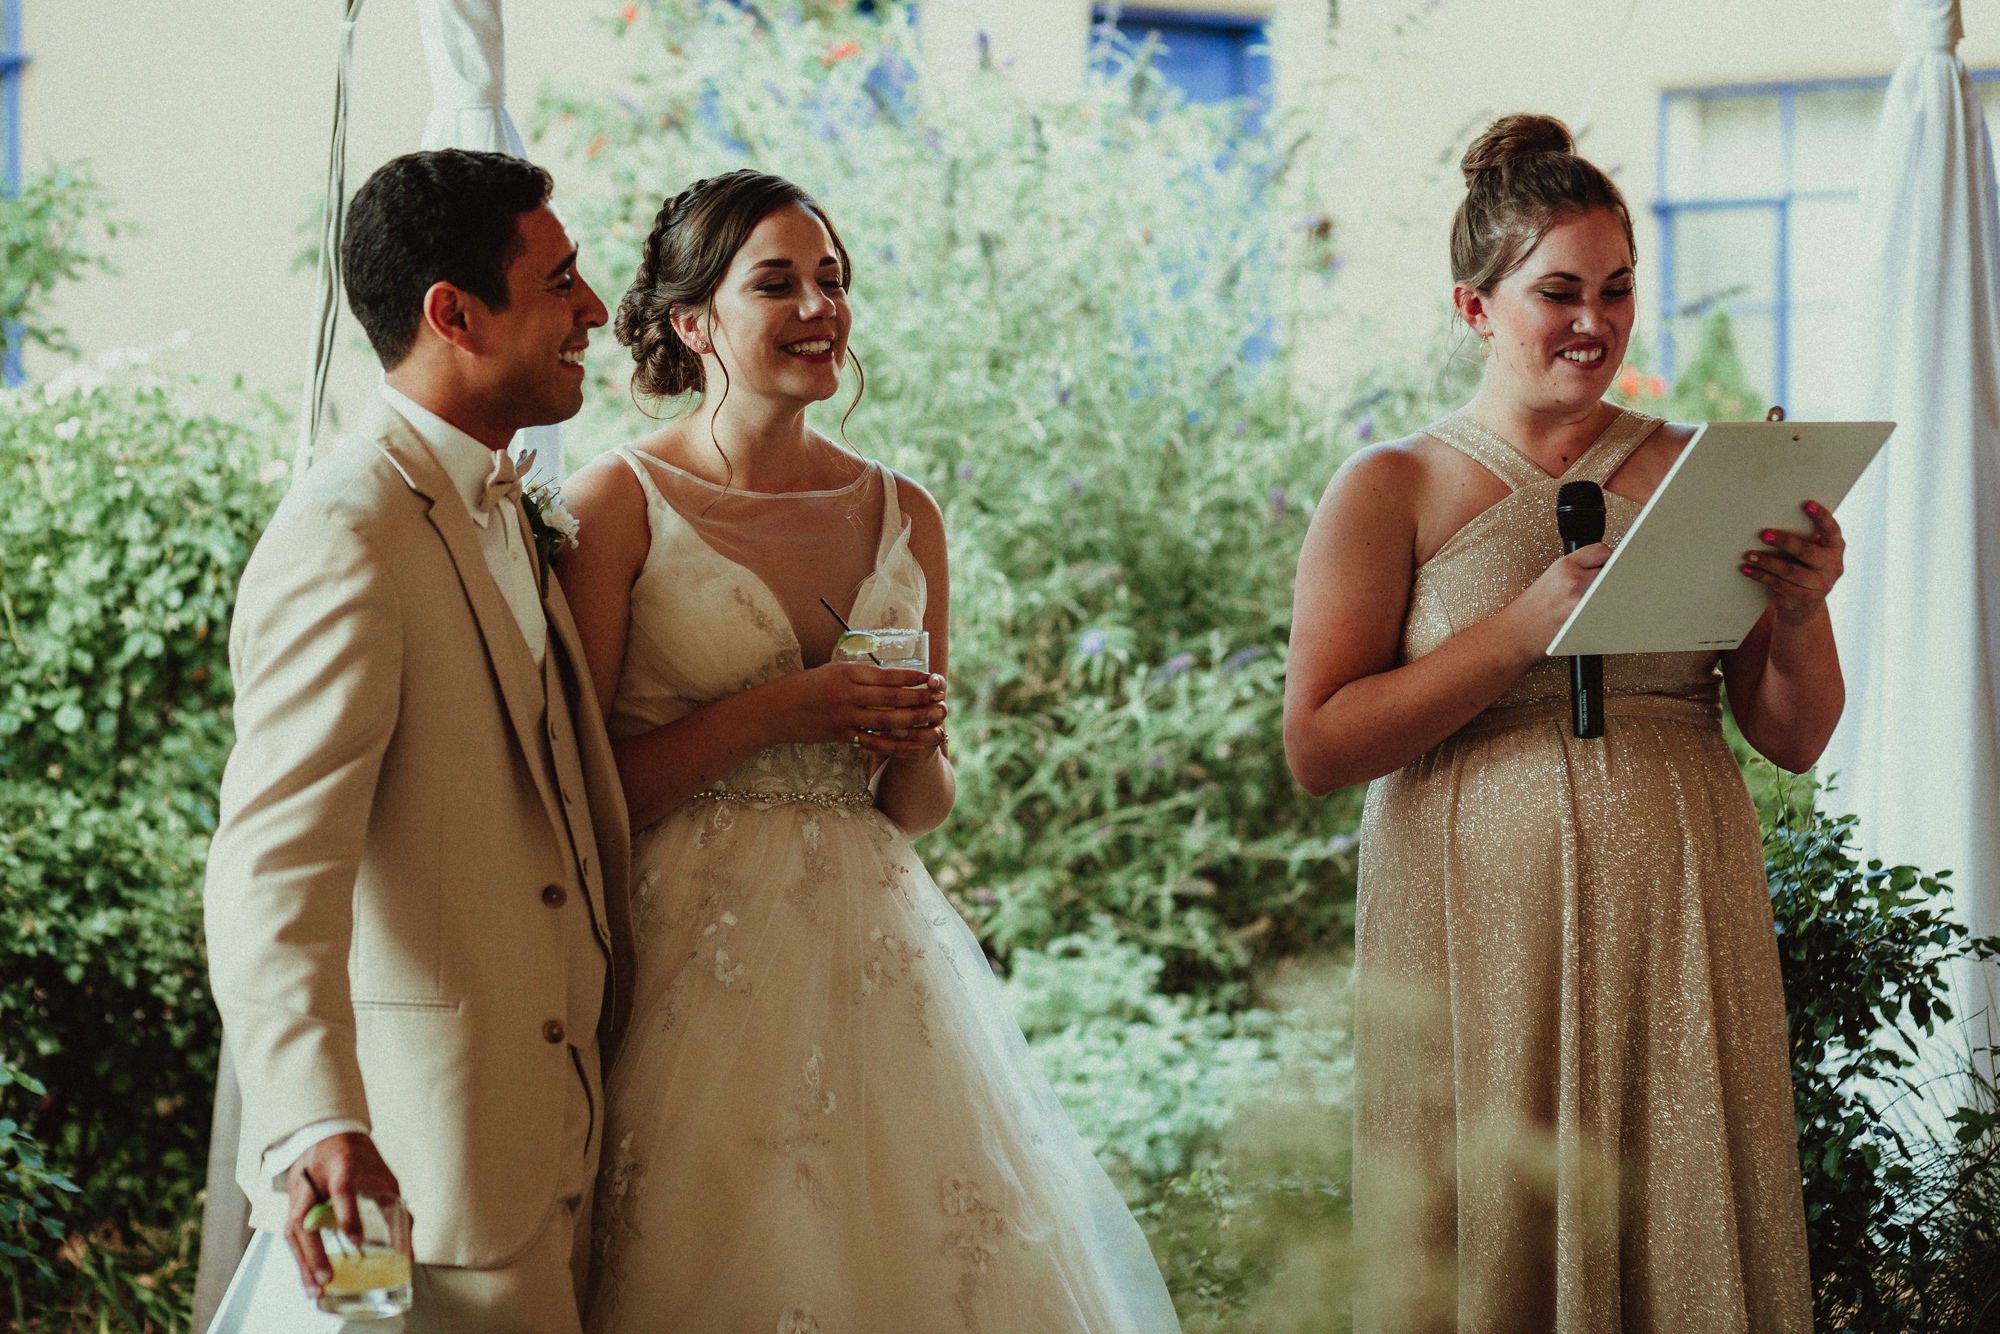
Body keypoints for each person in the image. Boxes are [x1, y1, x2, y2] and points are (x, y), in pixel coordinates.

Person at [554, 169, 1180, 1333]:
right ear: (694, 323)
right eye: (776, 282)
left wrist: (912, 744)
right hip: (689, 960)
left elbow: (915, 806)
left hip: (880, 951)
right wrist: (785, 708)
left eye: (831, 280)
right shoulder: (617, 502)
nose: (818, 308)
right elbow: (582, 798)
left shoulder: (903, 512)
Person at [1284, 115, 1836, 1332]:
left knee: (1676, 1215)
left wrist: (1797, 614)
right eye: (1557, 292)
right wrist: (1520, 626)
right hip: (1466, 925)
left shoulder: (1699, 472)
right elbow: (1318, 745)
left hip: (1676, 913)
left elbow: (1791, 736)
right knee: (1483, 1224)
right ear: (1473, 308)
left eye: (1617, 289)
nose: (1593, 320)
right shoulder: (1390, 487)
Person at [203, 148, 632, 1333]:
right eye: (560, 280)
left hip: (543, 1156)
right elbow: (271, 868)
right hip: (411, 1186)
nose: (593, 308)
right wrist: (314, 1124)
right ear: (453, 312)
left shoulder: (499, 499)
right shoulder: (345, 532)